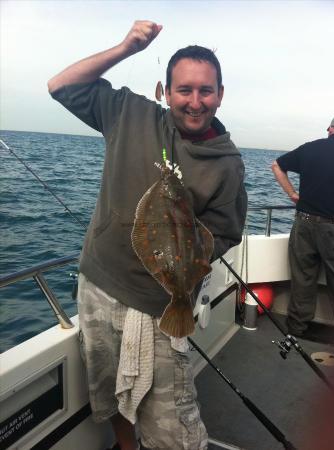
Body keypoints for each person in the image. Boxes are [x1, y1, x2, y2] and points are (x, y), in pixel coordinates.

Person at [48, 20, 247, 450]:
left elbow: (227, 232)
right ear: (165, 90)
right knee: (110, 398)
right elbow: (60, 85)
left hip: (161, 305)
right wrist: (126, 46)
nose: (195, 102)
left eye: (206, 91)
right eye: (184, 90)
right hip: (98, 285)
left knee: (174, 425)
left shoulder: (227, 163)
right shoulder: (129, 113)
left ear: (220, 94)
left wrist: (186, 252)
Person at [272, 116, 334, 337]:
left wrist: (292, 194)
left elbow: (277, 166)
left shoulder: (310, 148)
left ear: (331, 128)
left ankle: (296, 329)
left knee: (302, 279)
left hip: (304, 224)